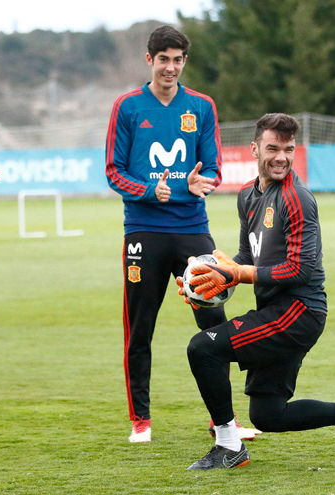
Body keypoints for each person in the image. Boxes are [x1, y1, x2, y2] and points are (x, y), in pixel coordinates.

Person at [177, 113, 335, 469]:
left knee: (203, 348)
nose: (280, 157)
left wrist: (236, 273)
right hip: (277, 310)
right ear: (254, 149)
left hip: (298, 311)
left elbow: (300, 269)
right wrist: (209, 279)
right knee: (268, 415)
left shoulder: (298, 199)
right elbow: (247, 257)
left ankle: (229, 447)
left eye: (288, 149)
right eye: (272, 148)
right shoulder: (249, 196)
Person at [105, 25, 258, 443]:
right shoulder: (128, 107)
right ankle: (141, 421)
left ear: (184, 62)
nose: (170, 67)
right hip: (143, 231)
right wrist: (147, 189)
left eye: (177, 60)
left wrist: (200, 182)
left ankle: (222, 422)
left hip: (192, 229)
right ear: (149, 61)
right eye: (162, 59)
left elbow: (213, 167)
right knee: (140, 328)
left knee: (215, 324)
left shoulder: (202, 106)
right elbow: (113, 170)